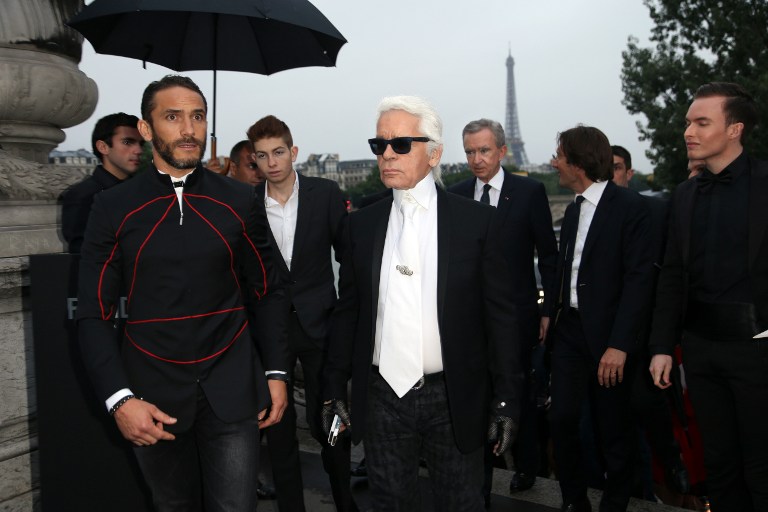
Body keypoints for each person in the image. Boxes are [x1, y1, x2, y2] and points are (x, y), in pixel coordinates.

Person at [76, 75, 289, 511]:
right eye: (173, 117)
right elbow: (93, 313)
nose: (189, 129)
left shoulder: (239, 200)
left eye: (197, 116)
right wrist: (120, 400)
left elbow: (268, 290)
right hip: (149, 395)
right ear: (148, 129)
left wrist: (278, 372)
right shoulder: (113, 207)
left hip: (232, 386)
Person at [322, 95, 522, 511]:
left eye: (400, 144)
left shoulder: (476, 223)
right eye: (380, 146)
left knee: (461, 504)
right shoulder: (360, 225)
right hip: (381, 398)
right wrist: (332, 389)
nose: (386, 155)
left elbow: (500, 317)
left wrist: (506, 399)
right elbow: (349, 313)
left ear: (434, 154)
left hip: (452, 395)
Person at [649, 82, 768, 512]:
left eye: (702, 122)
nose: (688, 132)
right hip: (699, 351)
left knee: (762, 465)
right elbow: (672, 277)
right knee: (718, 465)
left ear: (734, 129)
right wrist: (662, 347)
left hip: (758, 349)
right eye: (687, 122)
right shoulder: (682, 196)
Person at [246, 115, 358, 512]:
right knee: (276, 427)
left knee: (328, 419)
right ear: (254, 160)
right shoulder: (246, 204)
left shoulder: (326, 194)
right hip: (269, 331)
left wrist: (345, 314)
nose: (271, 162)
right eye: (262, 155)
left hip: (321, 325)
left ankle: (345, 501)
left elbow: (349, 259)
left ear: (293, 152)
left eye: (278, 152)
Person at [449, 118, 557, 502]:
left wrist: (548, 311)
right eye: (469, 152)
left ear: (502, 151)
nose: (476, 159)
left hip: (519, 314)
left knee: (522, 390)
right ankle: (482, 469)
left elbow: (548, 254)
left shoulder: (529, 192)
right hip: (470, 318)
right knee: (477, 393)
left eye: (483, 150)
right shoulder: (457, 193)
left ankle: (528, 465)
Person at [547, 126, 654, 512]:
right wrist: (550, 315)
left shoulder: (632, 209)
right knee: (561, 420)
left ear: (578, 162)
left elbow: (639, 283)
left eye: (559, 155)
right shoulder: (574, 210)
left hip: (611, 337)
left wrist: (620, 344)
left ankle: (615, 502)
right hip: (571, 332)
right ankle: (575, 500)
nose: (553, 162)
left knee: (613, 428)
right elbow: (566, 272)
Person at [611, 145, 690, 498]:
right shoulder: (585, 215)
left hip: (648, 328)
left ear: (629, 172)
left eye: (616, 168)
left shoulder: (658, 211)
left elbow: (671, 270)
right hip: (608, 330)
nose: (610, 175)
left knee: (647, 403)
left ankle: (671, 466)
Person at [60, 112, 143, 253]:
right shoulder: (82, 197)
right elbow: (84, 255)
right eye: (127, 142)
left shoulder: (144, 191)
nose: (139, 150)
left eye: (141, 143)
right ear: (103, 147)